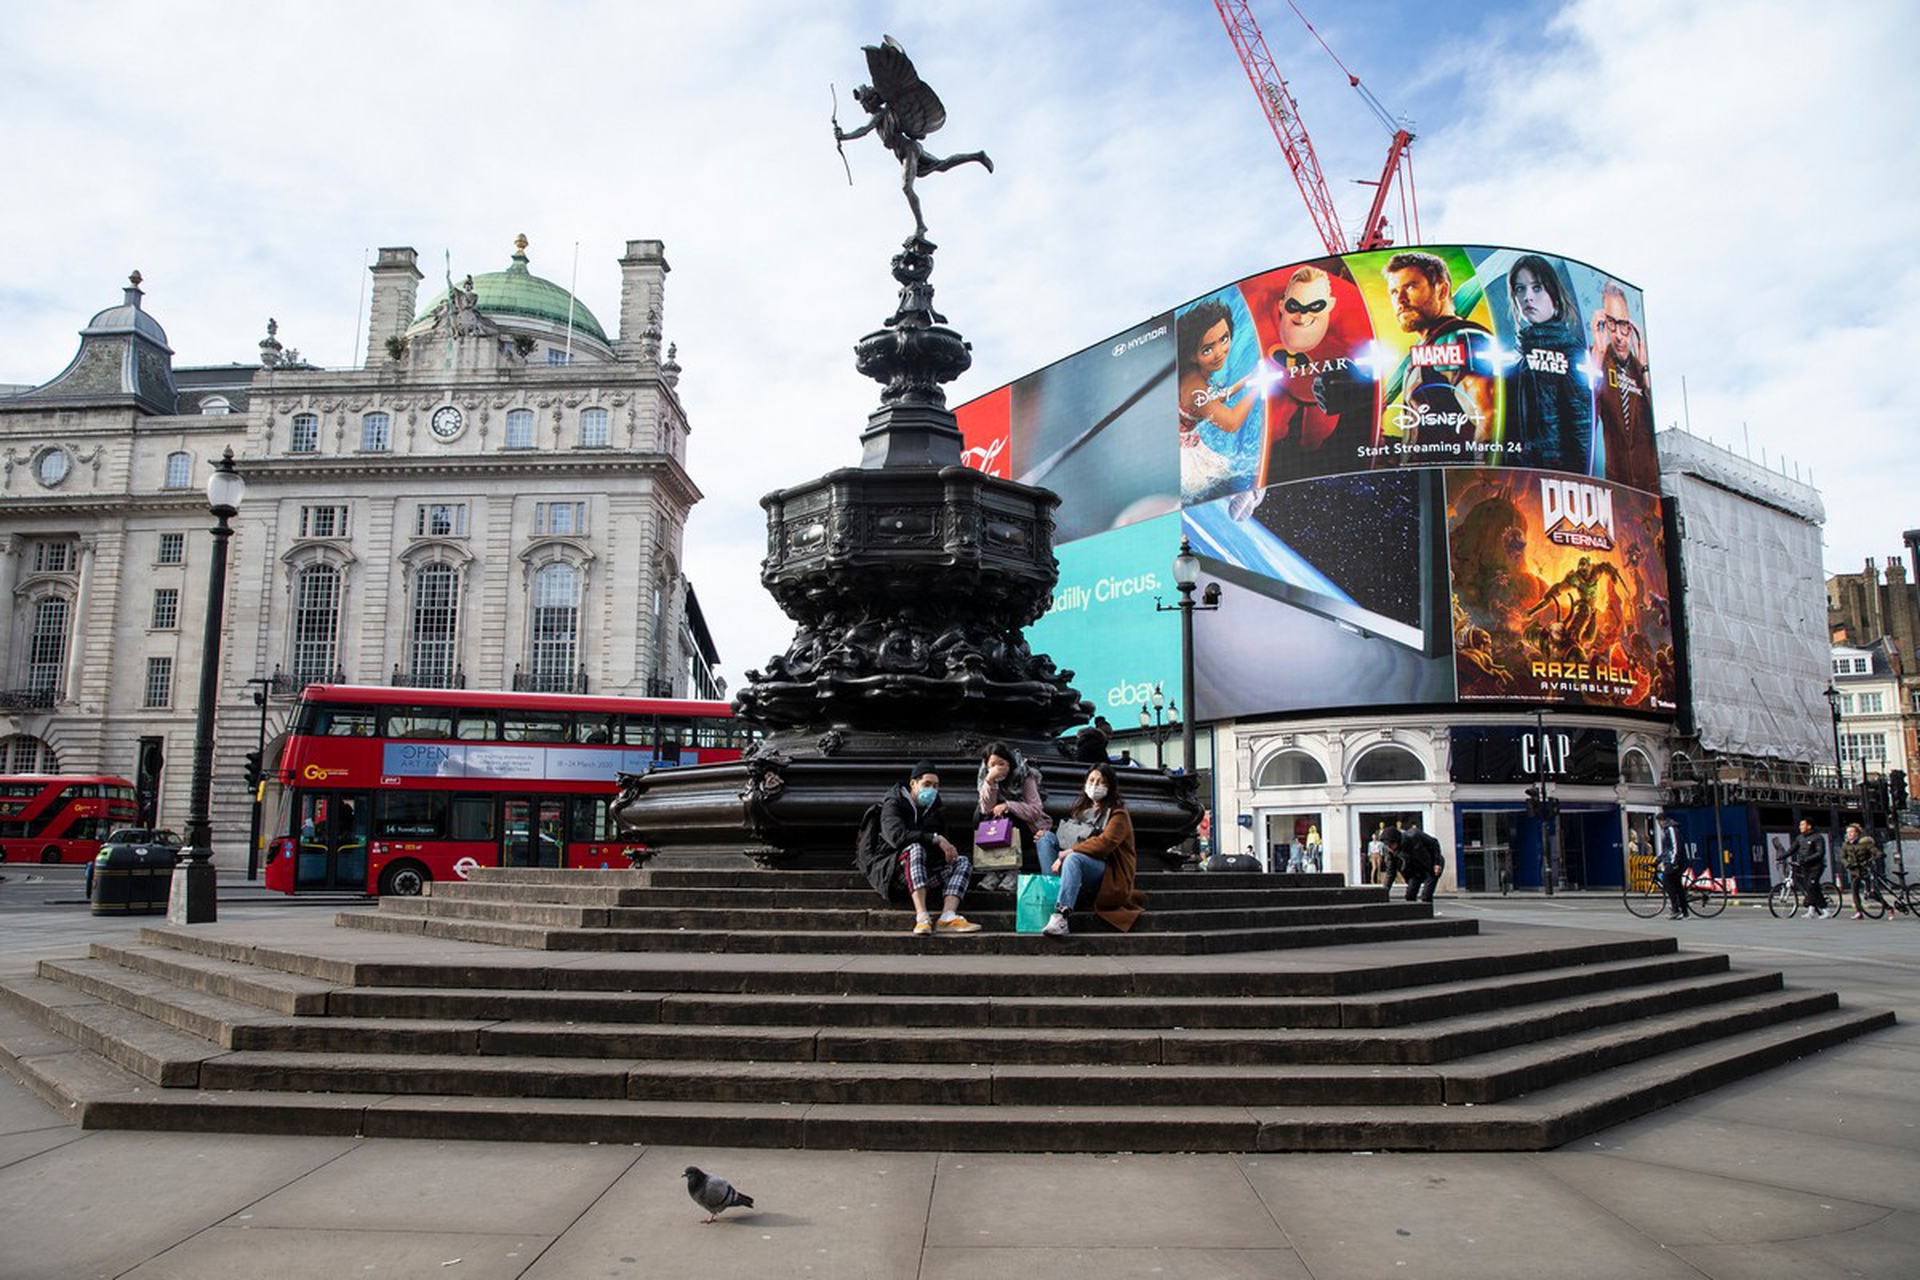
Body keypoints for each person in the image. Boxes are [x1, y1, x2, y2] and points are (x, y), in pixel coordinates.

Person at [1380, 252, 1495, 455]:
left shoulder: (1458, 339)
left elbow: (1489, 418)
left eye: (1410, 287)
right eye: (1394, 292)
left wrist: (1480, 481)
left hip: (1457, 482)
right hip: (1424, 481)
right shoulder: (1430, 347)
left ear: (1442, 290)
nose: (1401, 300)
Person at [855, 760, 982, 935]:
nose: (932, 790)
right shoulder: (894, 803)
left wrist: (946, 850)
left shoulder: (935, 808)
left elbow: (941, 843)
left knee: (962, 862)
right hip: (892, 873)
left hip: (922, 872)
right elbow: (896, 837)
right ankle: (922, 917)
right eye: (927, 784)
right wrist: (935, 839)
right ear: (913, 784)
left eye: (936, 786)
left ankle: (947, 916)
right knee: (915, 848)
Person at [1505, 254, 1594, 474]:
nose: (1527, 298)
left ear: (1553, 294)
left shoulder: (1570, 354)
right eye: (1520, 289)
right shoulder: (1521, 357)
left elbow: (1582, 432)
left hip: (1558, 482)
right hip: (1523, 480)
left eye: (1537, 288)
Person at [1040, 762, 1147, 937]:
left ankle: (1061, 915)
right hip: (1076, 868)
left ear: (1110, 786)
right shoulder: (1082, 811)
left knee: (1074, 859)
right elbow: (1068, 837)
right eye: (1091, 780)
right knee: (1045, 839)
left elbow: (1105, 843)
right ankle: (1057, 892)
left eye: (1101, 782)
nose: (1094, 786)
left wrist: (1070, 851)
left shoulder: (1118, 814)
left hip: (1106, 873)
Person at [1177, 299, 1262, 502]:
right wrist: (1258, 387)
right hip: (1182, 455)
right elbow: (1231, 423)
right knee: (1208, 482)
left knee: (1217, 476)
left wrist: (1244, 382)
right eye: (1207, 349)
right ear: (1191, 355)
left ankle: (1243, 497)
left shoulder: (1194, 374)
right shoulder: (1194, 384)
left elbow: (1212, 401)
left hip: (1188, 443)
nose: (1219, 352)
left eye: (1224, 339)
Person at [1589, 282, 1657, 491]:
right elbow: (1587, 416)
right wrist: (1598, 355)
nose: (1619, 335)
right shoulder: (1598, 359)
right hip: (1616, 485)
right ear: (1603, 322)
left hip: (1649, 488)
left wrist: (1644, 366)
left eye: (1624, 325)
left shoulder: (1640, 369)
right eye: (1612, 323)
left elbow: (1652, 421)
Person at [974, 741, 1055, 893]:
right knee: (980, 816)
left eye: (1001, 763)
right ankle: (995, 870)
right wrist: (990, 782)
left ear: (1009, 763)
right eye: (992, 765)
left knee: (1007, 815)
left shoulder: (1024, 776)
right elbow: (986, 808)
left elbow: (1035, 810)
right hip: (995, 827)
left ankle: (1012, 870)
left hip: (1025, 825)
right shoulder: (985, 777)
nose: (997, 768)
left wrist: (1009, 805)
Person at [1787, 818, 1835, 919]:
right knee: (1809, 888)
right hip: (1805, 867)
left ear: (1809, 826)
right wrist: (1781, 857)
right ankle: (1811, 911)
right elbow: (1792, 849)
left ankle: (1826, 910)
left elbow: (1820, 853)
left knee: (1812, 886)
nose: (1800, 827)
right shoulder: (1800, 838)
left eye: (1802, 825)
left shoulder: (1818, 837)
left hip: (1816, 866)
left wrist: (1807, 859)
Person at [1841, 822, 1884, 920]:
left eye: (1852, 832)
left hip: (1865, 870)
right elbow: (1842, 857)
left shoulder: (1865, 843)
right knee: (1854, 891)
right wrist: (1847, 864)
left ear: (1857, 833)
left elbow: (1877, 853)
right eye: (1848, 832)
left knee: (1870, 894)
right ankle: (1859, 912)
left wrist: (1871, 859)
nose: (1850, 834)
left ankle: (1887, 906)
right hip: (1854, 870)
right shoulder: (1845, 845)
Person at [1398, 819, 1443, 905]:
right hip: (1416, 870)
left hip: (1431, 865)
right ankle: (1412, 913)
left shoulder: (1415, 835)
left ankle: (1427, 911)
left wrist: (1437, 863)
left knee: (1426, 895)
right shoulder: (1396, 851)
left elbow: (1434, 843)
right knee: (1410, 895)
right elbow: (1396, 869)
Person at [1654, 812, 1689, 920]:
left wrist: (1674, 862)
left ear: (1661, 820)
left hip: (1676, 861)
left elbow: (1675, 846)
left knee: (1667, 882)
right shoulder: (1666, 829)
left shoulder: (1671, 829)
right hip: (1674, 860)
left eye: (1658, 822)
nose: (1658, 824)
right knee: (1677, 885)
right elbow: (1667, 850)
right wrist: (1658, 860)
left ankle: (1676, 910)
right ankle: (1684, 911)